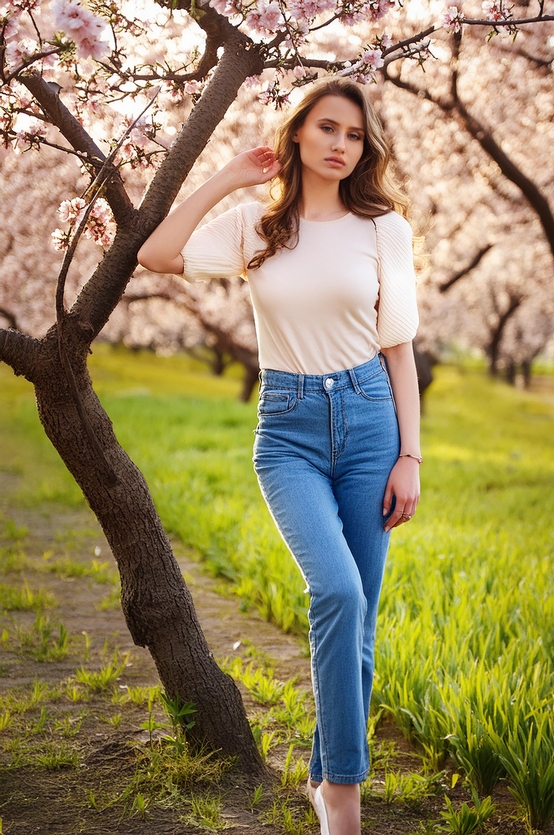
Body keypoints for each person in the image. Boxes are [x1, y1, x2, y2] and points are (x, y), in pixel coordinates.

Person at [138, 76, 421, 835]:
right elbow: (158, 253)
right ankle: (344, 798)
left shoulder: (382, 229)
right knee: (337, 593)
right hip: (288, 428)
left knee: (358, 620)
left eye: (355, 134)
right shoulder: (254, 226)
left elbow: (399, 350)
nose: (340, 144)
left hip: (371, 426)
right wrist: (230, 175)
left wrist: (411, 457)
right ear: (297, 133)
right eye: (326, 127)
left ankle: (328, 780)